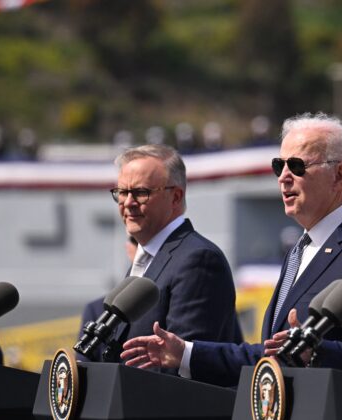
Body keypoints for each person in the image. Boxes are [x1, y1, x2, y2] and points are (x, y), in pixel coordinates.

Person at [121, 113, 342, 387]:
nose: (283, 178)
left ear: (338, 175)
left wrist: (314, 350)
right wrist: (186, 354)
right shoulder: (299, 251)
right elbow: (268, 357)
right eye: (279, 166)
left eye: (297, 166)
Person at [81, 144, 243, 363]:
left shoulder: (198, 260)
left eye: (140, 192)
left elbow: (183, 365)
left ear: (176, 197)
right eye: (122, 192)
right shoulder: (147, 258)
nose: (128, 203)